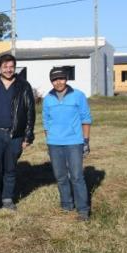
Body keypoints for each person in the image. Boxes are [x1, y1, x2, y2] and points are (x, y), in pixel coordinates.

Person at [0, 53, 35, 211]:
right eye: (5, 66)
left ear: (15, 67)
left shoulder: (23, 86)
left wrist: (27, 136)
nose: (8, 69)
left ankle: (7, 198)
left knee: (10, 168)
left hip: (15, 135)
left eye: (11, 66)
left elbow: (30, 112)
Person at [42, 67, 92, 222]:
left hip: (74, 142)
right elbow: (46, 121)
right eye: (55, 79)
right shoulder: (47, 99)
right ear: (51, 81)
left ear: (67, 79)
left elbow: (86, 118)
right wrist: (50, 138)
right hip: (54, 143)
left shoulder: (78, 96)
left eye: (61, 78)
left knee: (77, 176)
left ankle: (83, 209)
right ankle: (66, 204)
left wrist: (85, 141)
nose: (58, 82)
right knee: (61, 176)